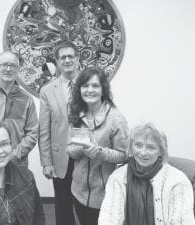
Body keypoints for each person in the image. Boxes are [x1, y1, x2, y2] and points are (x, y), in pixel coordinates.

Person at [98, 123, 195, 225]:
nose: (143, 152)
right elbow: (108, 219)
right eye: (138, 145)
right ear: (131, 147)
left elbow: (182, 221)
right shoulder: (117, 177)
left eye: (150, 147)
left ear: (161, 152)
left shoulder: (178, 180)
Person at [67, 67, 129, 225]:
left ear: (103, 90)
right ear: (79, 89)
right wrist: (83, 147)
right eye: (85, 86)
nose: (89, 90)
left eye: (95, 86)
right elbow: (70, 151)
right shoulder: (76, 112)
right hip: (78, 190)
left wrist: (100, 152)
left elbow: (124, 155)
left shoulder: (116, 119)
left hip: (103, 195)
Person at [38, 40, 79, 225]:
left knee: (87, 206)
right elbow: (44, 130)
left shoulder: (92, 85)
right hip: (60, 157)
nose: (68, 60)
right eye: (63, 57)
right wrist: (46, 162)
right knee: (63, 207)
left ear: (78, 59)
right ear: (57, 61)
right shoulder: (47, 91)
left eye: (71, 56)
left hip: (86, 156)